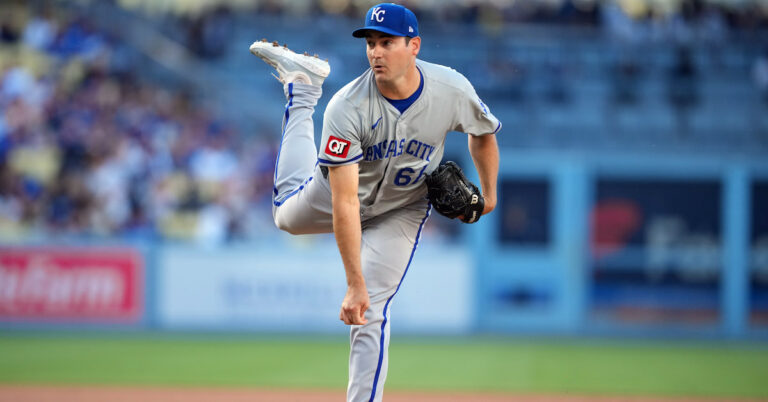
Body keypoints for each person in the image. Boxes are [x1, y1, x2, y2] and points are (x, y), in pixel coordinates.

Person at [249, 3, 500, 401]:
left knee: (372, 309)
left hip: (403, 207)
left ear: (413, 45)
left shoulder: (450, 89)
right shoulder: (348, 107)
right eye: (370, 42)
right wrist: (353, 284)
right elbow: (346, 204)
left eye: (387, 42)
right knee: (285, 217)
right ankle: (303, 91)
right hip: (340, 195)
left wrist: (489, 197)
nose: (375, 52)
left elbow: (483, 133)